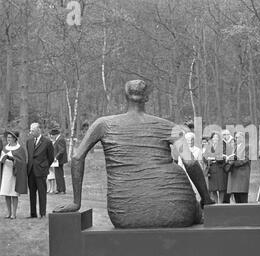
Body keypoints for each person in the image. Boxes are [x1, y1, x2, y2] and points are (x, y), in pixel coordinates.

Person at [54, 80, 214, 228]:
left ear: (125, 96)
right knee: (197, 216)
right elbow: (191, 163)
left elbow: (77, 157)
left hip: (125, 212)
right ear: (147, 98)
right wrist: (206, 200)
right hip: (177, 208)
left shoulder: (103, 124)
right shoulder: (169, 126)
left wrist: (76, 202)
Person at [27, 123, 54, 219]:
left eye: (32, 131)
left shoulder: (47, 142)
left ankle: (42, 213)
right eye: (30, 130)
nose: (31, 132)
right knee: (32, 194)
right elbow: (30, 156)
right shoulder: (29, 141)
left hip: (41, 171)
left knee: (42, 193)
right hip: (30, 171)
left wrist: (44, 167)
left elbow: (51, 158)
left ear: (38, 130)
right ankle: (33, 214)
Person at [0, 131, 27, 219]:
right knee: (6, 192)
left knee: (13, 193)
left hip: (15, 173)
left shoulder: (19, 149)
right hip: (6, 172)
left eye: (10, 137)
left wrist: (12, 159)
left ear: (15, 138)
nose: (8, 139)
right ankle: (8, 212)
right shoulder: (5, 148)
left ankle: (14, 214)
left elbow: (22, 162)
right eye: (7, 137)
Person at [225, 132, 250, 203]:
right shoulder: (235, 147)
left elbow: (246, 159)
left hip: (242, 174)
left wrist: (234, 163)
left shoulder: (247, 146)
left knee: (243, 199)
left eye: (238, 137)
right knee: (237, 198)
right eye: (235, 137)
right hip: (234, 175)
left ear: (243, 138)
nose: (236, 139)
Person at [204, 132, 228, 204]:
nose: (215, 139)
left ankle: (220, 204)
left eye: (217, 137)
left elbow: (223, 157)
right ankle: (215, 203)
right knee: (213, 189)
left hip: (220, 168)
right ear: (211, 138)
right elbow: (204, 157)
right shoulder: (209, 146)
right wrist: (211, 159)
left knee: (221, 188)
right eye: (214, 137)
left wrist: (213, 158)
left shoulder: (223, 146)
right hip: (211, 169)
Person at [50, 128, 68, 194]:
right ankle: (59, 189)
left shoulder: (60, 139)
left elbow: (61, 150)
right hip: (58, 160)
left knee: (60, 174)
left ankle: (62, 189)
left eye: (52, 135)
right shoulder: (58, 139)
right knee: (57, 174)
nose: (51, 136)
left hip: (60, 160)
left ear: (55, 134)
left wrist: (56, 157)